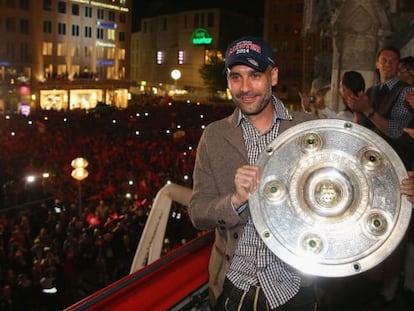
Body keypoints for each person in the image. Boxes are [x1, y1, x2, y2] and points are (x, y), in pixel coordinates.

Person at [189, 36, 414, 311]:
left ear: (273, 76)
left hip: (297, 291)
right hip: (234, 287)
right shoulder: (214, 136)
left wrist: (401, 188)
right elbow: (198, 212)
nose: (245, 87)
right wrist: (235, 200)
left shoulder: (312, 129)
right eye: (236, 77)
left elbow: (359, 181)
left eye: (255, 75)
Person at [346, 46, 414, 170]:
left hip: (395, 162)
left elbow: (396, 130)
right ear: (377, 64)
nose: (388, 64)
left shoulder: (406, 90)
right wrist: (357, 110)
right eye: (384, 60)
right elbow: (361, 129)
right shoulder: (370, 91)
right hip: (370, 160)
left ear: (398, 65)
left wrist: (366, 110)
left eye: (393, 61)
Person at [299, 70, 365, 122]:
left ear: (347, 90)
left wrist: (307, 109)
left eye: (341, 87)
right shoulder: (361, 113)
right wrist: (323, 107)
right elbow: (336, 118)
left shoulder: (347, 116)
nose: (339, 91)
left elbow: (318, 129)